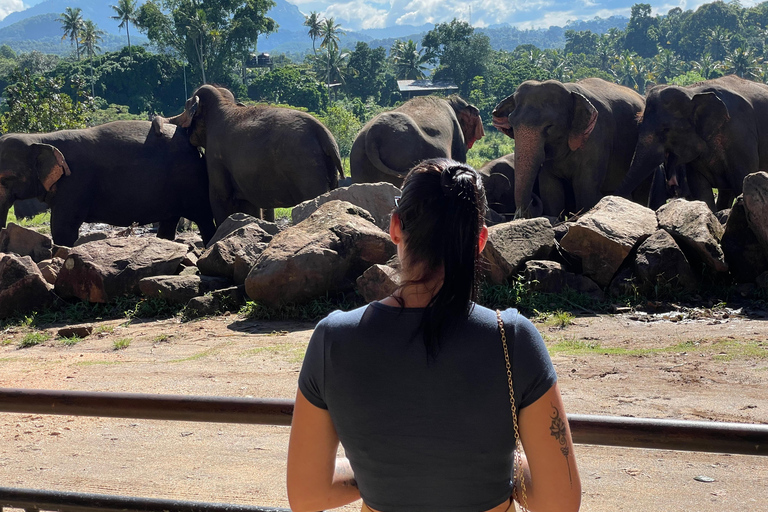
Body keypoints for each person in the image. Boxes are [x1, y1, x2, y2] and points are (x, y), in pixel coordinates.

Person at [287, 158, 581, 512]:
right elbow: (559, 502)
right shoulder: (513, 338)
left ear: (396, 227)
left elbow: (306, 496)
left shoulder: (333, 339)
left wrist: (380, 469)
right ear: (480, 241)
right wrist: (501, 464)